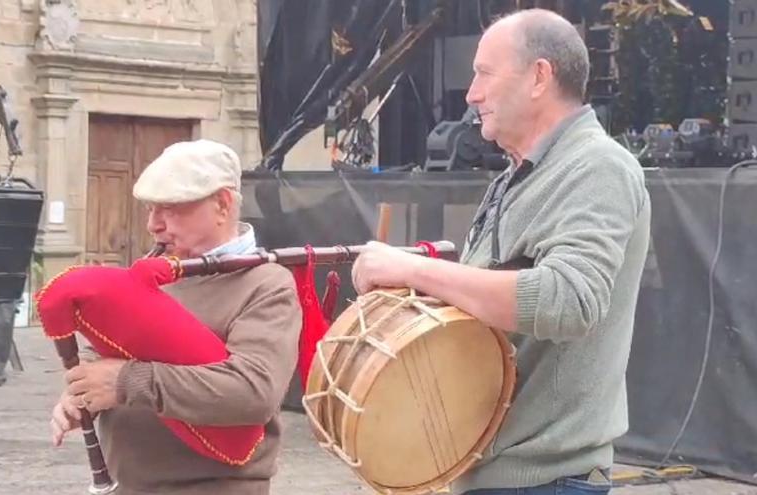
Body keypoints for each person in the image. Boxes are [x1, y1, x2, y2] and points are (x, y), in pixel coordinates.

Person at [352, 9, 651, 495]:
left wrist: (417, 268)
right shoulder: (516, 177)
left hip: (547, 481)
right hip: (502, 477)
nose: (471, 93)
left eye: (484, 73)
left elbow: (570, 302)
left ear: (539, 77)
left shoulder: (599, 167)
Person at [49, 139, 302, 495]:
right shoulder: (156, 273)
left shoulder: (266, 284)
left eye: (170, 209)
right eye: (152, 209)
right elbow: (111, 352)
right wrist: (81, 393)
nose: (153, 224)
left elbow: (252, 392)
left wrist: (125, 382)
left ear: (222, 204)